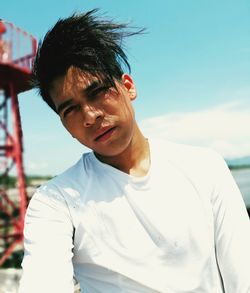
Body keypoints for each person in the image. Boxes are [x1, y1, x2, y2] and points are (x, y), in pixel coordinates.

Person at [18, 9, 250, 293]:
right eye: (70, 109)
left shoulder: (205, 167)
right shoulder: (56, 201)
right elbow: (43, 281)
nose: (89, 116)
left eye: (97, 92)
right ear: (63, 123)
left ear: (128, 87)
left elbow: (243, 274)